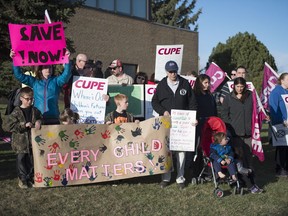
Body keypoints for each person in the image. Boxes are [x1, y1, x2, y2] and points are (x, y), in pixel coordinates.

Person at [152, 60, 197, 190]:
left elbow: (192, 103)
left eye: (175, 71)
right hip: (166, 123)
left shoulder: (185, 83)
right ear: (166, 72)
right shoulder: (161, 85)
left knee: (181, 152)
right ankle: (166, 178)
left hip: (182, 124)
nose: (173, 74)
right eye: (170, 72)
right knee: (167, 151)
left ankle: (180, 178)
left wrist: (193, 117)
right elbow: (155, 102)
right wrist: (163, 111)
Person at [221, 77, 263, 193]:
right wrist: (231, 126)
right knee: (239, 159)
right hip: (235, 135)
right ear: (233, 86)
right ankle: (241, 182)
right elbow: (224, 115)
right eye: (237, 86)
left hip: (249, 134)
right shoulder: (228, 98)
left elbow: (257, 110)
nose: (239, 89)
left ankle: (252, 182)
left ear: (245, 86)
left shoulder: (251, 96)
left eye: (242, 87)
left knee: (249, 159)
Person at [10, 49, 71, 125]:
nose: (48, 69)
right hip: (38, 118)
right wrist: (15, 59)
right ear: (40, 70)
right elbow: (19, 75)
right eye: (45, 67)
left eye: (50, 67)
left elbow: (66, 74)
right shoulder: (35, 82)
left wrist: (67, 59)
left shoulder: (56, 81)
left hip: (54, 117)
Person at [6, 87, 42, 188]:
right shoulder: (16, 112)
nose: (30, 101)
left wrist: (39, 121)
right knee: (21, 159)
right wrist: (23, 125)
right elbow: (7, 126)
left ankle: (30, 177)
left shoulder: (35, 110)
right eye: (27, 99)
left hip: (32, 141)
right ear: (21, 98)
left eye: (31, 99)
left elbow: (40, 117)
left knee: (31, 159)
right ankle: (22, 179)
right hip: (20, 142)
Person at [187, 74, 217, 175]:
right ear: (199, 83)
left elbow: (214, 111)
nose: (207, 85)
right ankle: (195, 169)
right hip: (198, 125)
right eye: (205, 83)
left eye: (209, 83)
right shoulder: (194, 96)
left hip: (210, 125)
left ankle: (208, 169)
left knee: (208, 147)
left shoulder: (210, 96)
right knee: (198, 147)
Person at [269, 72, 288, 177]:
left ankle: (286, 167)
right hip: (280, 124)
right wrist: (281, 121)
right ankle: (280, 169)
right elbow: (273, 109)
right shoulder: (276, 92)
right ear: (282, 80)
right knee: (281, 147)